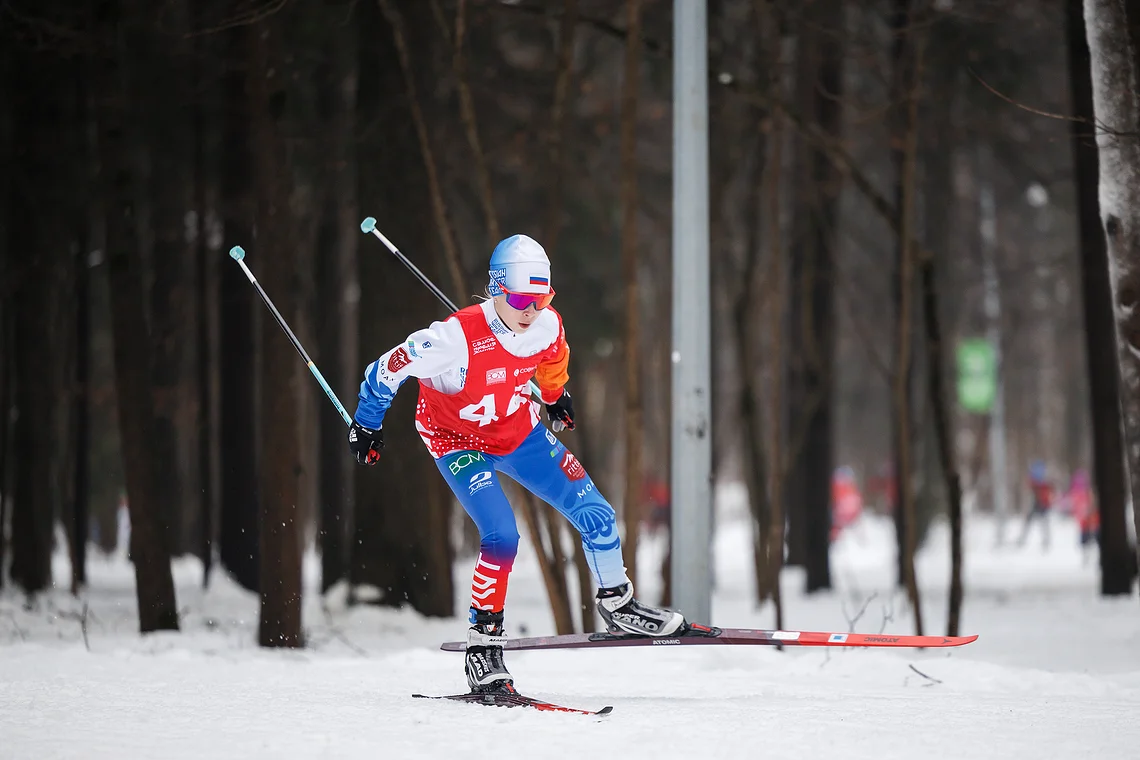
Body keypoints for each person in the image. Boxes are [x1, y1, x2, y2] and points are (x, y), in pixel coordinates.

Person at [346, 234, 686, 694]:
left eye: (541, 298)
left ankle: (617, 603)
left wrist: (555, 395)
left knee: (599, 514)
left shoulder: (545, 324)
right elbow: (385, 369)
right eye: (522, 299)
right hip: (457, 442)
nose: (532, 310)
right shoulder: (452, 338)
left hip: (518, 433)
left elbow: (555, 356)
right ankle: (483, 646)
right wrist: (368, 423)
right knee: (502, 537)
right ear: (497, 289)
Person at [1017, 459, 1054, 549]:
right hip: (1036, 504)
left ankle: (1045, 540)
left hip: (1041, 504)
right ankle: (1024, 539)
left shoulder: (1042, 483)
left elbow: (1047, 493)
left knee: (1041, 523)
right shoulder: (1038, 481)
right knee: (1034, 522)